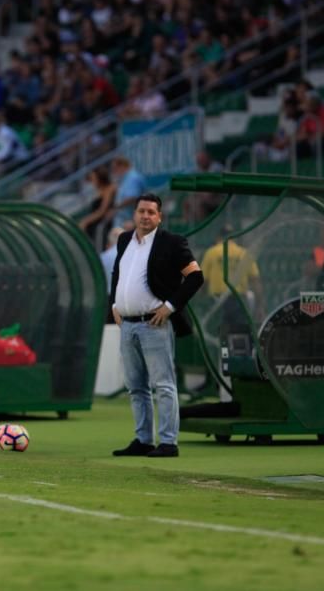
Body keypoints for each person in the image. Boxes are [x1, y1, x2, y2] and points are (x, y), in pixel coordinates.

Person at [110, 193, 203, 458]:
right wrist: (114, 306)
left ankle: (169, 442)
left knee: (163, 384)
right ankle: (143, 439)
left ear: (160, 216)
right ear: (134, 214)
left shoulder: (172, 242)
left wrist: (171, 307)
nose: (145, 216)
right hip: (127, 324)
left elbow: (196, 276)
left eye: (151, 212)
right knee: (136, 386)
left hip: (154, 323)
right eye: (141, 211)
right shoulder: (124, 239)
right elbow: (117, 274)